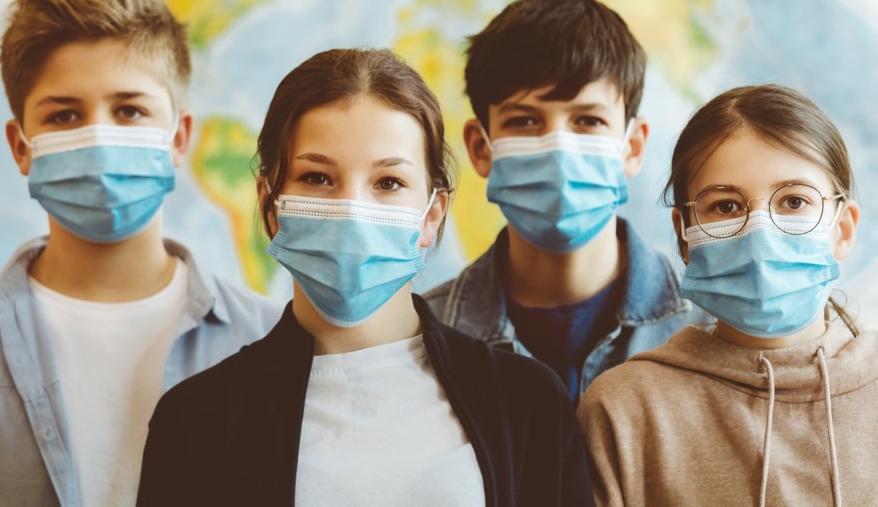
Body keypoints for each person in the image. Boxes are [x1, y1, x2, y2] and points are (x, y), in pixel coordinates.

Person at [136, 48, 594, 506]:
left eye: (388, 183)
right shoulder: (195, 421)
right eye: (317, 178)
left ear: (432, 215)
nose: (353, 210)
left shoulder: (528, 403)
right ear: (269, 205)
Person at [0, 0, 284, 506]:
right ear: (21, 147)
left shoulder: (273, 343)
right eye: (64, 115)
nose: (99, 135)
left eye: (130, 110)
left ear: (178, 138)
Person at [578, 84, 878, 506]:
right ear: (684, 235)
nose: (761, 233)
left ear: (843, 229)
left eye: (794, 201)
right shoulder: (624, 411)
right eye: (725, 206)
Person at [425, 0, 703, 402]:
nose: (558, 148)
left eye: (588, 120)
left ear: (633, 147)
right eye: (524, 121)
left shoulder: (709, 330)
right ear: (481, 149)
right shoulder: (424, 340)